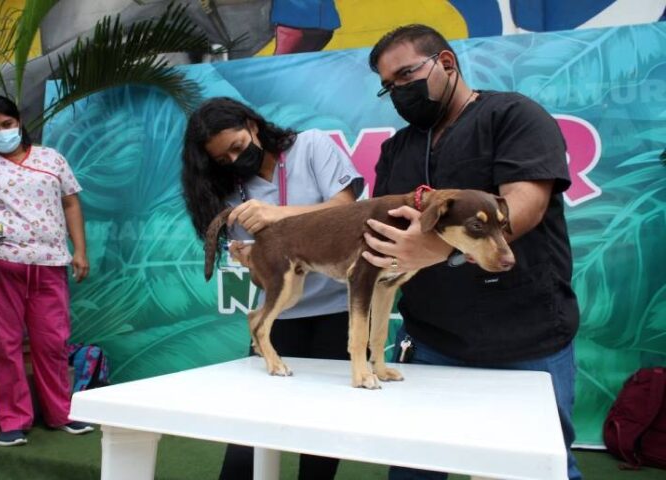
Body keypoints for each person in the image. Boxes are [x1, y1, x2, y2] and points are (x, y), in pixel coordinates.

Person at [362, 25, 582, 480]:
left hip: (528, 340)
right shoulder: (397, 148)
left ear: (445, 63)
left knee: (535, 468)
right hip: (431, 342)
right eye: (389, 86)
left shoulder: (514, 116)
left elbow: (526, 202)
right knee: (416, 467)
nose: (399, 92)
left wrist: (438, 249)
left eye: (406, 75)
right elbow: (384, 224)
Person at [181, 97, 364, 480]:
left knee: (321, 433)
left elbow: (346, 208)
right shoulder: (233, 194)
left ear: (252, 125)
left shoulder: (311, 146)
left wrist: (276, 217)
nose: (234, 161)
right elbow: (263, 277)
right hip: (281, 317)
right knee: (249, 437)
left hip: (338, 311)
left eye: (236, 147)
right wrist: (253, 260)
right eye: (222, 160)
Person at [0, 95, 94, 447]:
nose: (1, 132)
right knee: (3, 345)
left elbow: (71, 201)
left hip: (49, 263)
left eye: (7, 125)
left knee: (53, 342)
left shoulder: (50, 159)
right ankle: (13, 421)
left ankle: (62, 414)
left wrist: (80, 251)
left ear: (19, 121)